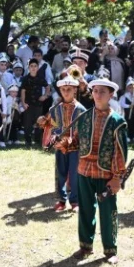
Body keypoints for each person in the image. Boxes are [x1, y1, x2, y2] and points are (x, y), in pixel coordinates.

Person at [70, 78, 128, 264]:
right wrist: (64, 143)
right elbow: (76, 142)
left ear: (111, 95)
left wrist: (117, 178)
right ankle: (85, 246)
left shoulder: (117, 122)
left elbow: (120, 152)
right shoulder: (84, 117)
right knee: (85, 210)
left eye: (102, 91)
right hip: (84, 171)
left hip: (106, 175)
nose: (97, 94)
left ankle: (110, 250)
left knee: (108, 210)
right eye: (95, 90)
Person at [40, 75, 85, 212]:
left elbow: (84, 131)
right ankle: (61, 200)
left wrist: (71, 140)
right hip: (60, 146)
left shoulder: (81, 110)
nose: (66, 92)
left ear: (75, 90)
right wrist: (42, 122)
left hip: (75, 148)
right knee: (60, 173)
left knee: (74, 174)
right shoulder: (55, 109)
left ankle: (75, 201)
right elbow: (48, 124)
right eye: (63, 89)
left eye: (69, 89)